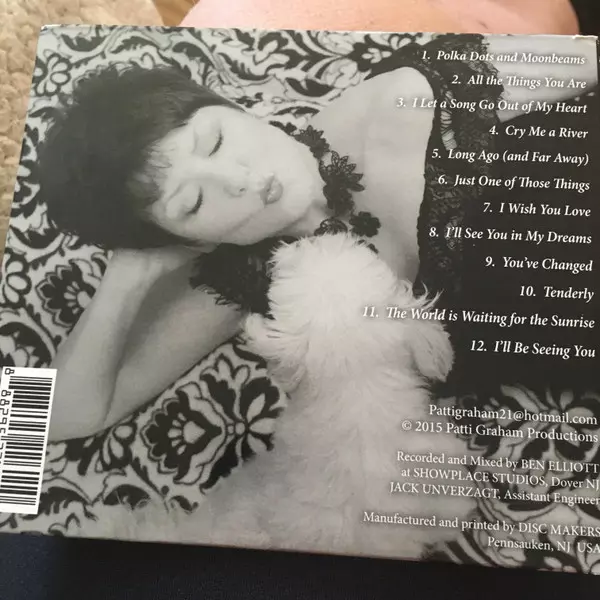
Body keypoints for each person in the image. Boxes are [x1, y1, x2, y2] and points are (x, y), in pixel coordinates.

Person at [40, 29, 596, 441]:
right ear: (188, 241)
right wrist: (128, 277)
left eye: (215, 140)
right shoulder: (245, 276)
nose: (238, 179)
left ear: (235, 108)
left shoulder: (418, 92)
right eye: (193, 203)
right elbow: (54, 420)